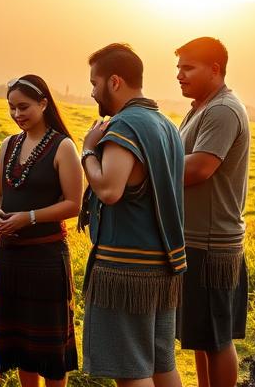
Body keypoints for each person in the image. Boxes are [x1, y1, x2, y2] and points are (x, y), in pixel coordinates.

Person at [79, 44, 185, 387]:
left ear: (114, 81)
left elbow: (109, 189)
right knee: (160, 364)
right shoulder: (166, 125)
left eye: (94, 83)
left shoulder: (124, 126)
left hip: (126, 268)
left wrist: (87, 151)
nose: (92, 91)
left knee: (131, 370)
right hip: (162, 264)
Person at [0, 74, 82, 387]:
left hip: (45, 259)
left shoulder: (63, 146)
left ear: (44, 103)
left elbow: (73, 204)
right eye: (12, 108)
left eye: (24, 107)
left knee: (49, 348)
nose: (17, 115)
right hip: (9, 258)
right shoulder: (8, 145)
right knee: (18, 345)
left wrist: (27, 218)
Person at [174, 37, 250, 387]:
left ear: (215, 69)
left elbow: (200, 167)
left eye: (187, 67)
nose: (179, 75)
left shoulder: (222, 110)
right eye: (178, 67)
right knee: (202, 337)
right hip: (197, 240)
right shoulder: (200, 107)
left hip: (213, 243)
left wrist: (148, 167)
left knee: (217, 339)